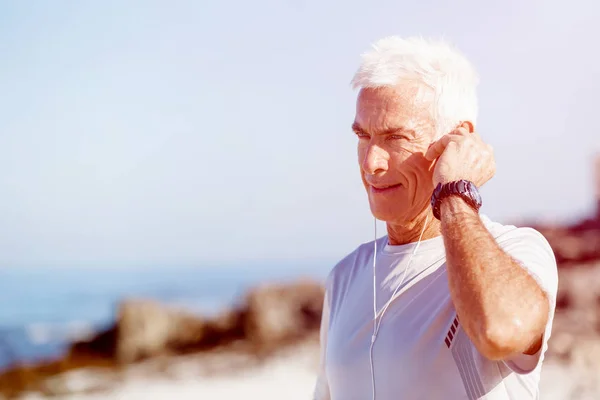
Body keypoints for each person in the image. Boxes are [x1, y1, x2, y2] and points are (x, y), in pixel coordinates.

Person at [313, 36, 558, 400]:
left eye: (395, 138)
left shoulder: (518, 250)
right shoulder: (346, 275)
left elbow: (501, 330)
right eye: (363, 136)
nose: (371, 164)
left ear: (458, 139)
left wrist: (456, 191)